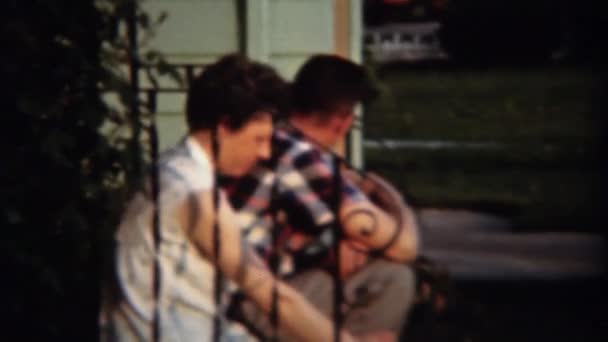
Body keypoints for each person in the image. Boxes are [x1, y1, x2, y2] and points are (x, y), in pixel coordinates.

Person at [99, 54, 358, 342]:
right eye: (258, 139)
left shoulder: (172, 169)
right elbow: (274, 298)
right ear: (224, 127)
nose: (265, 153)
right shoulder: (196, 196)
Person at [221, 54, 420, 341]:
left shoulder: (270, 137)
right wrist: (388, 195)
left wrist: (331, 246)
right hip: (247, 301)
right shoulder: (299, 155)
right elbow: (404, 246)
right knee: (394, 276)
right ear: (343, 120)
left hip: (240, 285)